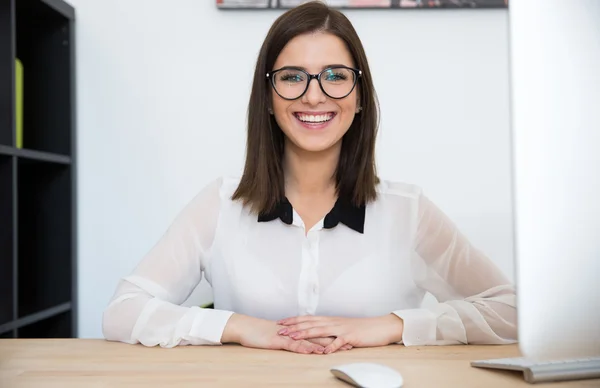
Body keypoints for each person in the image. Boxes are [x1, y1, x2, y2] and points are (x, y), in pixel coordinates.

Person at [102, 0, 517, 355]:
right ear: (267, 97)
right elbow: (123, 311)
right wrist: (245, 329)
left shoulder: (409, 211)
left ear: (358, 98)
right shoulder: (220, 203)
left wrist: (392, 326)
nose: (314, 95)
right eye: (292, 77)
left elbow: (512, 311)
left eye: (335, 76)